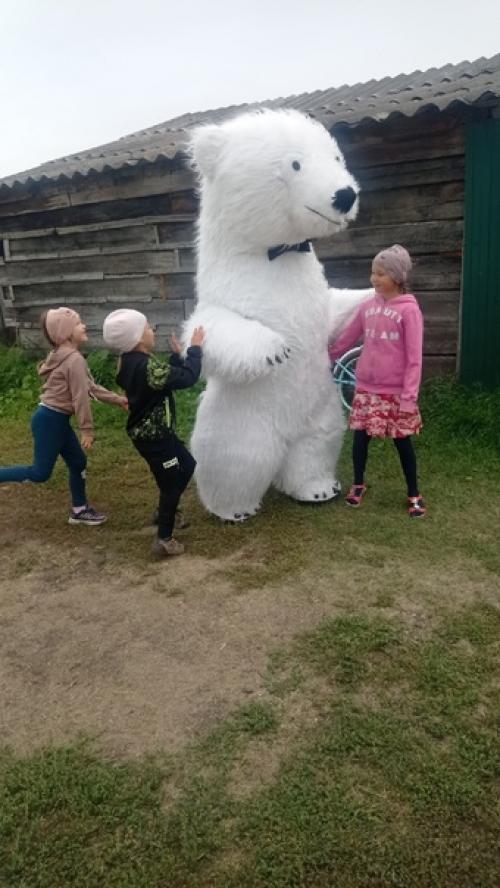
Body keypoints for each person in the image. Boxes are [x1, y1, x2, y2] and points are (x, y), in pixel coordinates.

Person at [0, 307, 127, 524]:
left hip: (53, 419)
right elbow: (80, 397)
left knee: (77, 462)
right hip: (50, 420)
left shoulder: (65, 357)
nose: (84, 326)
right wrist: (87, 430)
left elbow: (89, 387)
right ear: (65, 333)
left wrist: (118, 399)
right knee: (40, 473)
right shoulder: (73, 359)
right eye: (78, 324)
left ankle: (79, 510)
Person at [328, 244, 426, 518]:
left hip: (396, 393)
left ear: (397, 277)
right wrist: (327, 356)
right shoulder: (367, 307)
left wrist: (409, 397)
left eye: (381, 273)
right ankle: (358, 484)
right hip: (366, 389)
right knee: (360, 440)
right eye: (373, 272)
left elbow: (414, 358)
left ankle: (414, 493)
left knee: (402, 443)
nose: (374, 278)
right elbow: (348, 337)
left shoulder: (409, 311)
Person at [102, 309, 204, 557]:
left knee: (187, 465)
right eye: (148, 328)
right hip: (156, 439)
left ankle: (164, 512)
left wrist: (176, 356)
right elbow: (188, 378)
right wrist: (194, 349)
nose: (152, 331)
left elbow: (163, 379)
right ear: (137, 338)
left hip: (154, 435)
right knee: (171, 482)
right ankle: (164, 539)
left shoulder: (127, 362)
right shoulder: (146, 367)